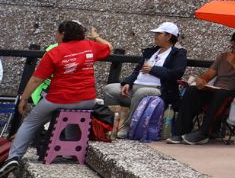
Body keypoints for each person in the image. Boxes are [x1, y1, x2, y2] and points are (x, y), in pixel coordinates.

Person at [1, 20, 112, 176]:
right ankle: (70, 151)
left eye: (57, 32)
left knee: (30, 123)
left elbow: (36, 80)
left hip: (59, 99)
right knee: (73, 115)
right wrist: (96, 37)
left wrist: (24, 99)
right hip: (87, 99)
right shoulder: (90, 46)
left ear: (63, 34)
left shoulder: (55, 53)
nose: (56, 35)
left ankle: (13, 158)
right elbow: (109, 47)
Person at [170, 29, 235, 145]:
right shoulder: (223, 57)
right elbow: (210, 74)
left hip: (233, 93)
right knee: (192, 90)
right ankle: (180, 132)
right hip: (215, 90)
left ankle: (203, 133)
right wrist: (202, 80)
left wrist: (234, 63)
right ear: (234, 43)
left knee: (221, 94)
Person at [101, 21, 188, 119]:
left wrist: (153, 69)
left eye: (159, 33)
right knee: (109, 90)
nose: (155, 36)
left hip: (157, 89)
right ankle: (112, 122)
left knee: (141, 93)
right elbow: (137, 70)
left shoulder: (178, 53)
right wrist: (128, 82)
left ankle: (128, 126)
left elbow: (176, 74)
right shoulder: (152, 51)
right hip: (136, 86)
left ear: (168, 36)